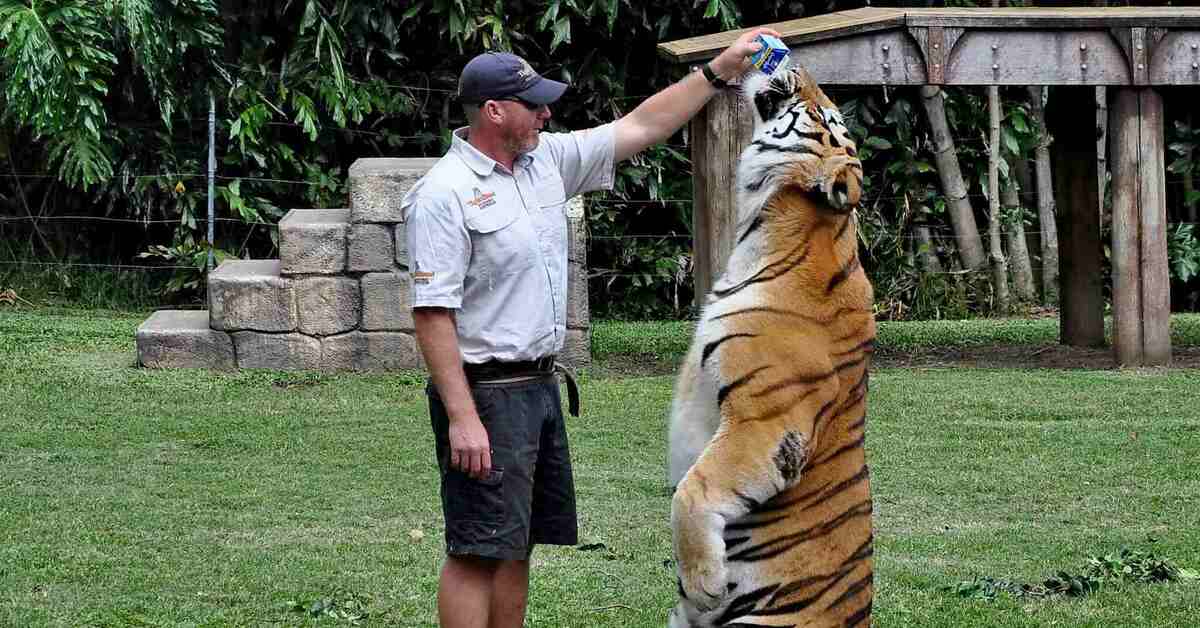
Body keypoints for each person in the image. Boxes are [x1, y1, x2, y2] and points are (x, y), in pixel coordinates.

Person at [400, 26, 781, 628]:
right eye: (535, 104)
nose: (548, 113)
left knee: (517, 542)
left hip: (539, 387)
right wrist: (462, 417)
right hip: (485, 393)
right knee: (476, 548)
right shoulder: (444, 194)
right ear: (495, 112)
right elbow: (432, 314)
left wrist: (715, 73)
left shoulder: (545, 161)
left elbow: (641, 127)